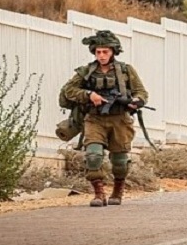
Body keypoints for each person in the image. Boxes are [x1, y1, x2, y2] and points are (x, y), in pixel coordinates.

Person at [61, 30, 148, 206]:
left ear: (113, 52)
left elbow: (141, 92)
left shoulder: (125, 70)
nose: (101, 55)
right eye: (98, 52)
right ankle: (99, 194)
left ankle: (117, 191)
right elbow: (68, 90)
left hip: (120, 120)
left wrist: (136, 101)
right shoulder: (86, 71)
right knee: (93, 156)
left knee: (120, 161)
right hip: (95, 119)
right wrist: (88, 95)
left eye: (105, 52)